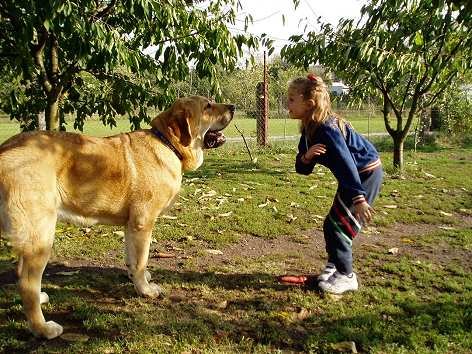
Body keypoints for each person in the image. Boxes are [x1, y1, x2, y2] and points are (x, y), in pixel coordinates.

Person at [282, 73, 383, 294]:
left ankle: (347, 276)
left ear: (309, 104)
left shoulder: (327, 128)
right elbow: (302, 169)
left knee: (336, 227)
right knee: (333, 224)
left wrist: (359, 198)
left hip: (364, 175)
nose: (286, 103)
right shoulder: (310, 129)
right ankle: (334, 267)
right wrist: (306, 157)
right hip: (353, 178)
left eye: (291, 99)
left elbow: (346, 162)